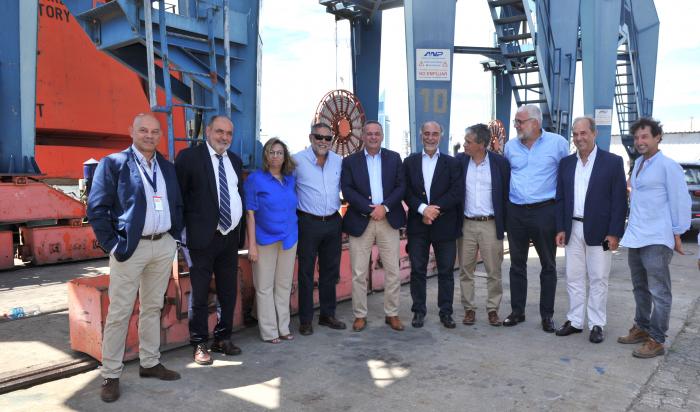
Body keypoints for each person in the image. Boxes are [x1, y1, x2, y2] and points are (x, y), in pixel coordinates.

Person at [88, 113, 183, 403]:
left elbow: (177, 202)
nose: (149, 135)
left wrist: (174, 238)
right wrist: (113, 246)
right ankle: (111, 374)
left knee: (153, 307)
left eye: (155, 131)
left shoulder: (166, 167)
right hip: (130, 248)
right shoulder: (114, 164)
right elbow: (96, 208)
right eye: (143, 130)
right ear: (131, 131)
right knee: (120, 311)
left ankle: (149, 362)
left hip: (162, 245)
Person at [618, 118, 691, 358]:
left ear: (658, 137)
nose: (640, 141)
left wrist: (678, 232)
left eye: (645, 137)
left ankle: (657, 339)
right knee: (640, 287)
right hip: (637, 235)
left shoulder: (668, 166)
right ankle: (641, 327)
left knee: (659, 291)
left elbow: (681, 200)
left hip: (657, 237)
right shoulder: (638, 164)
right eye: (637, 137)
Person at [175, 115, 245, 365]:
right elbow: (178, 199)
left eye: (228, 133)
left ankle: (222, 338)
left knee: (228, 291)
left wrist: (241, 236)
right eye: (219, 132)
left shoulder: (234, 161)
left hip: (228, 238)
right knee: (201, 294)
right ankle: (199, 343)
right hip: (199, 240)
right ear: (207, 131)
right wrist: (180, 236)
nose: (224, 137)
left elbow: (238, 196)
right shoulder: (189, 158)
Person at [554, 116, 627, 343]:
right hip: (572, 228)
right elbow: (561, 198)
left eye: (583, 133)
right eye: (575, 134)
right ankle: (575, 321)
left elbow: (619, 201)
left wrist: (614, 233)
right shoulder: (566, 163)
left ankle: (597, 324)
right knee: (573, 277)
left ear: (594, 134)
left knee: (598, 278)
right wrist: (560, 227)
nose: (579, 138)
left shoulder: (612, 162)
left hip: (601, 230)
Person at [503, 104, 569, 332]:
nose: (516, 125)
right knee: (516, 265)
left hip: (545, 211)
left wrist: (562, 218)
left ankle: (547, 315)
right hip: (516, 212)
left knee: (548, 266)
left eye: (520, 121)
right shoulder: (510, 147)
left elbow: (566, 178)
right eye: (516, 121)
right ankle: (517, 311)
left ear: (535, 122)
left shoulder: (558, 144)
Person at [341, 121, 406, 332]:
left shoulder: (394, 158)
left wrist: (384, 207)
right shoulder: (350, 161)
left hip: (388, 220)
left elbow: (401, 186)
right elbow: (347, 190)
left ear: (382, 136)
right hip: (362, 220)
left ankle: (392, 313)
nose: (373, 137)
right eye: (369, 133)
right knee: (359, 272)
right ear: (362, 136)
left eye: (377, 133)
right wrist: (370, 210)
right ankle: (360, 315)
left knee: (392, 270)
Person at [403, 121, 463, 329]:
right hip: (418, 225)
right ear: (421, 135)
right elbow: (406, 191)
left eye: (434, 134)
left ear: (441, 136)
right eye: (426, 133)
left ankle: (446, 312)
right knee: (418, 270)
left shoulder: (452, 163)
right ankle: (418, 311)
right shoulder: (409, 162)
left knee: (446, 272)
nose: (430, 137)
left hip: (444, 224)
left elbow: (456, 192)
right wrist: (422, 209)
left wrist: (434, 210)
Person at [293, 122, 346, 335]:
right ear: (310, 137)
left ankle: (327, 315)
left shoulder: (338, 161)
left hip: (333, 221)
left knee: (330, 271)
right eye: (319, 137)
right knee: (305, 273)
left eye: (327, 138)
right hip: (308, 222)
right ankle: (306, 320)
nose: (323, 141)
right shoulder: (297, 161)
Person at [245, 138, 298, 343]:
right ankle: (269, 332)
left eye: (279, 153)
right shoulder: (255, 179)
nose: (276, 156)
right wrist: (251, 246)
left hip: (289, 238)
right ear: (266, 156)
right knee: (265, 287)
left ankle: (283, 328)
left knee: (283, 285)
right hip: (264, 239)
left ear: (285, 156)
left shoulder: (290, 179)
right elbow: (250, 214)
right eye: (271, 152)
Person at [456, 124, 510, 327]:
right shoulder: (460, 162)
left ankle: (492, 310)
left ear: (481, 144)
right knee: (465, 270)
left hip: (490, 224)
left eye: (468, 142)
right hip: (466, 225)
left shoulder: (499, 164)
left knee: (493, 271)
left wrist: (505, 225)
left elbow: (505, 196)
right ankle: (469, 309)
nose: (464, 145)